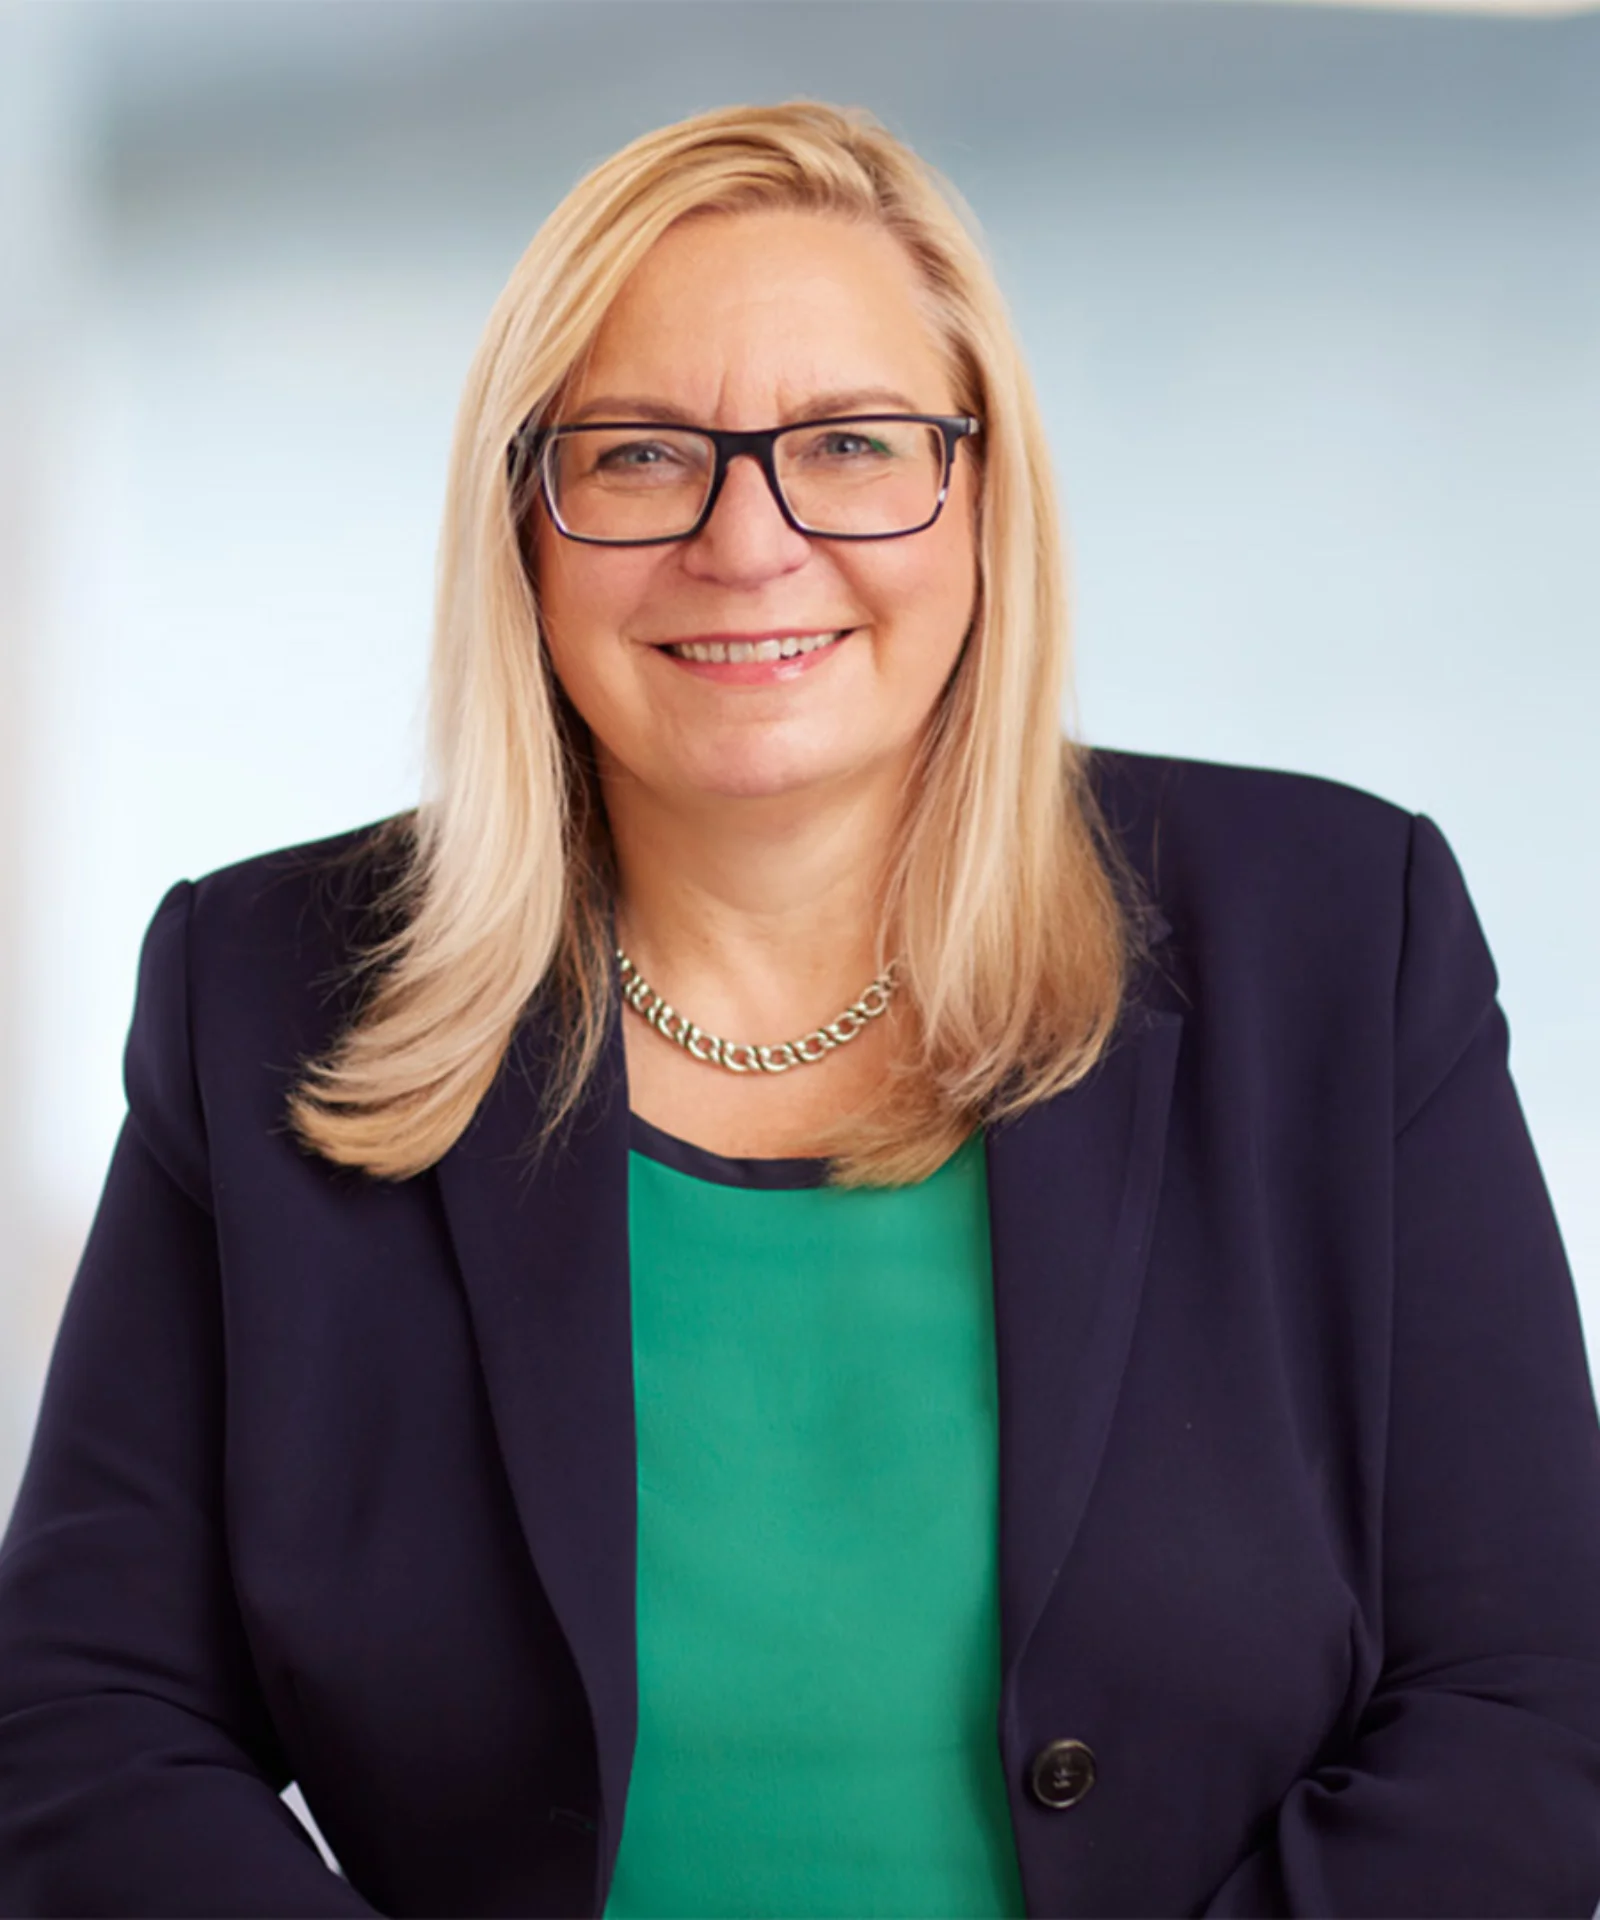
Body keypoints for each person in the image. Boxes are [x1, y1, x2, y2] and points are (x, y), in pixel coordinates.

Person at [1, 97, 1598, 1920]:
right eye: (637, 457)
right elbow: (84, 1724)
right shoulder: (265, 991)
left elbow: (1528, 1711)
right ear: (521, 525)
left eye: (851, 443)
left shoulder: (1336, 938)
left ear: (984, 494)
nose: (748, 543)